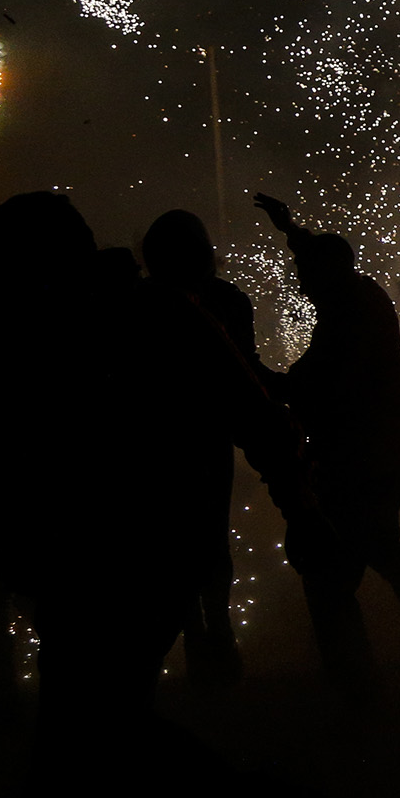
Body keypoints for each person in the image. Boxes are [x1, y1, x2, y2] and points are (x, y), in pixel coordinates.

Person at [0, 191, 322, 777]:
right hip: (98, 556)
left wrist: (302, 509)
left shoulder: (140, 316)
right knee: (95, 723)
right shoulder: (58, 321)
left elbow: (254, 414)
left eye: (0, 261)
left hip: (132, 555)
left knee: (94, 725)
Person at [254, 193, 400, 695]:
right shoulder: (357, 292)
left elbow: (318, 384)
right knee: (378, 554)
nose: (299, 282)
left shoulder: (347, 315)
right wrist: (292, 229)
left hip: (362, 456)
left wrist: (257, 378)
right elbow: (325, 257)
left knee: (342, 568)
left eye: (305, 274)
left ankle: (359, 679)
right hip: (382, 450)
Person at [140, 209, 262, 687]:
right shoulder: (225, 300)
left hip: (159, 440)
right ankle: (218, 637)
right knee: (208, 535)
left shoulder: (142, 303)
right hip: (203, 436)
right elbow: (244, 369)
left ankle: (199, 640)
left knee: (175, 542)